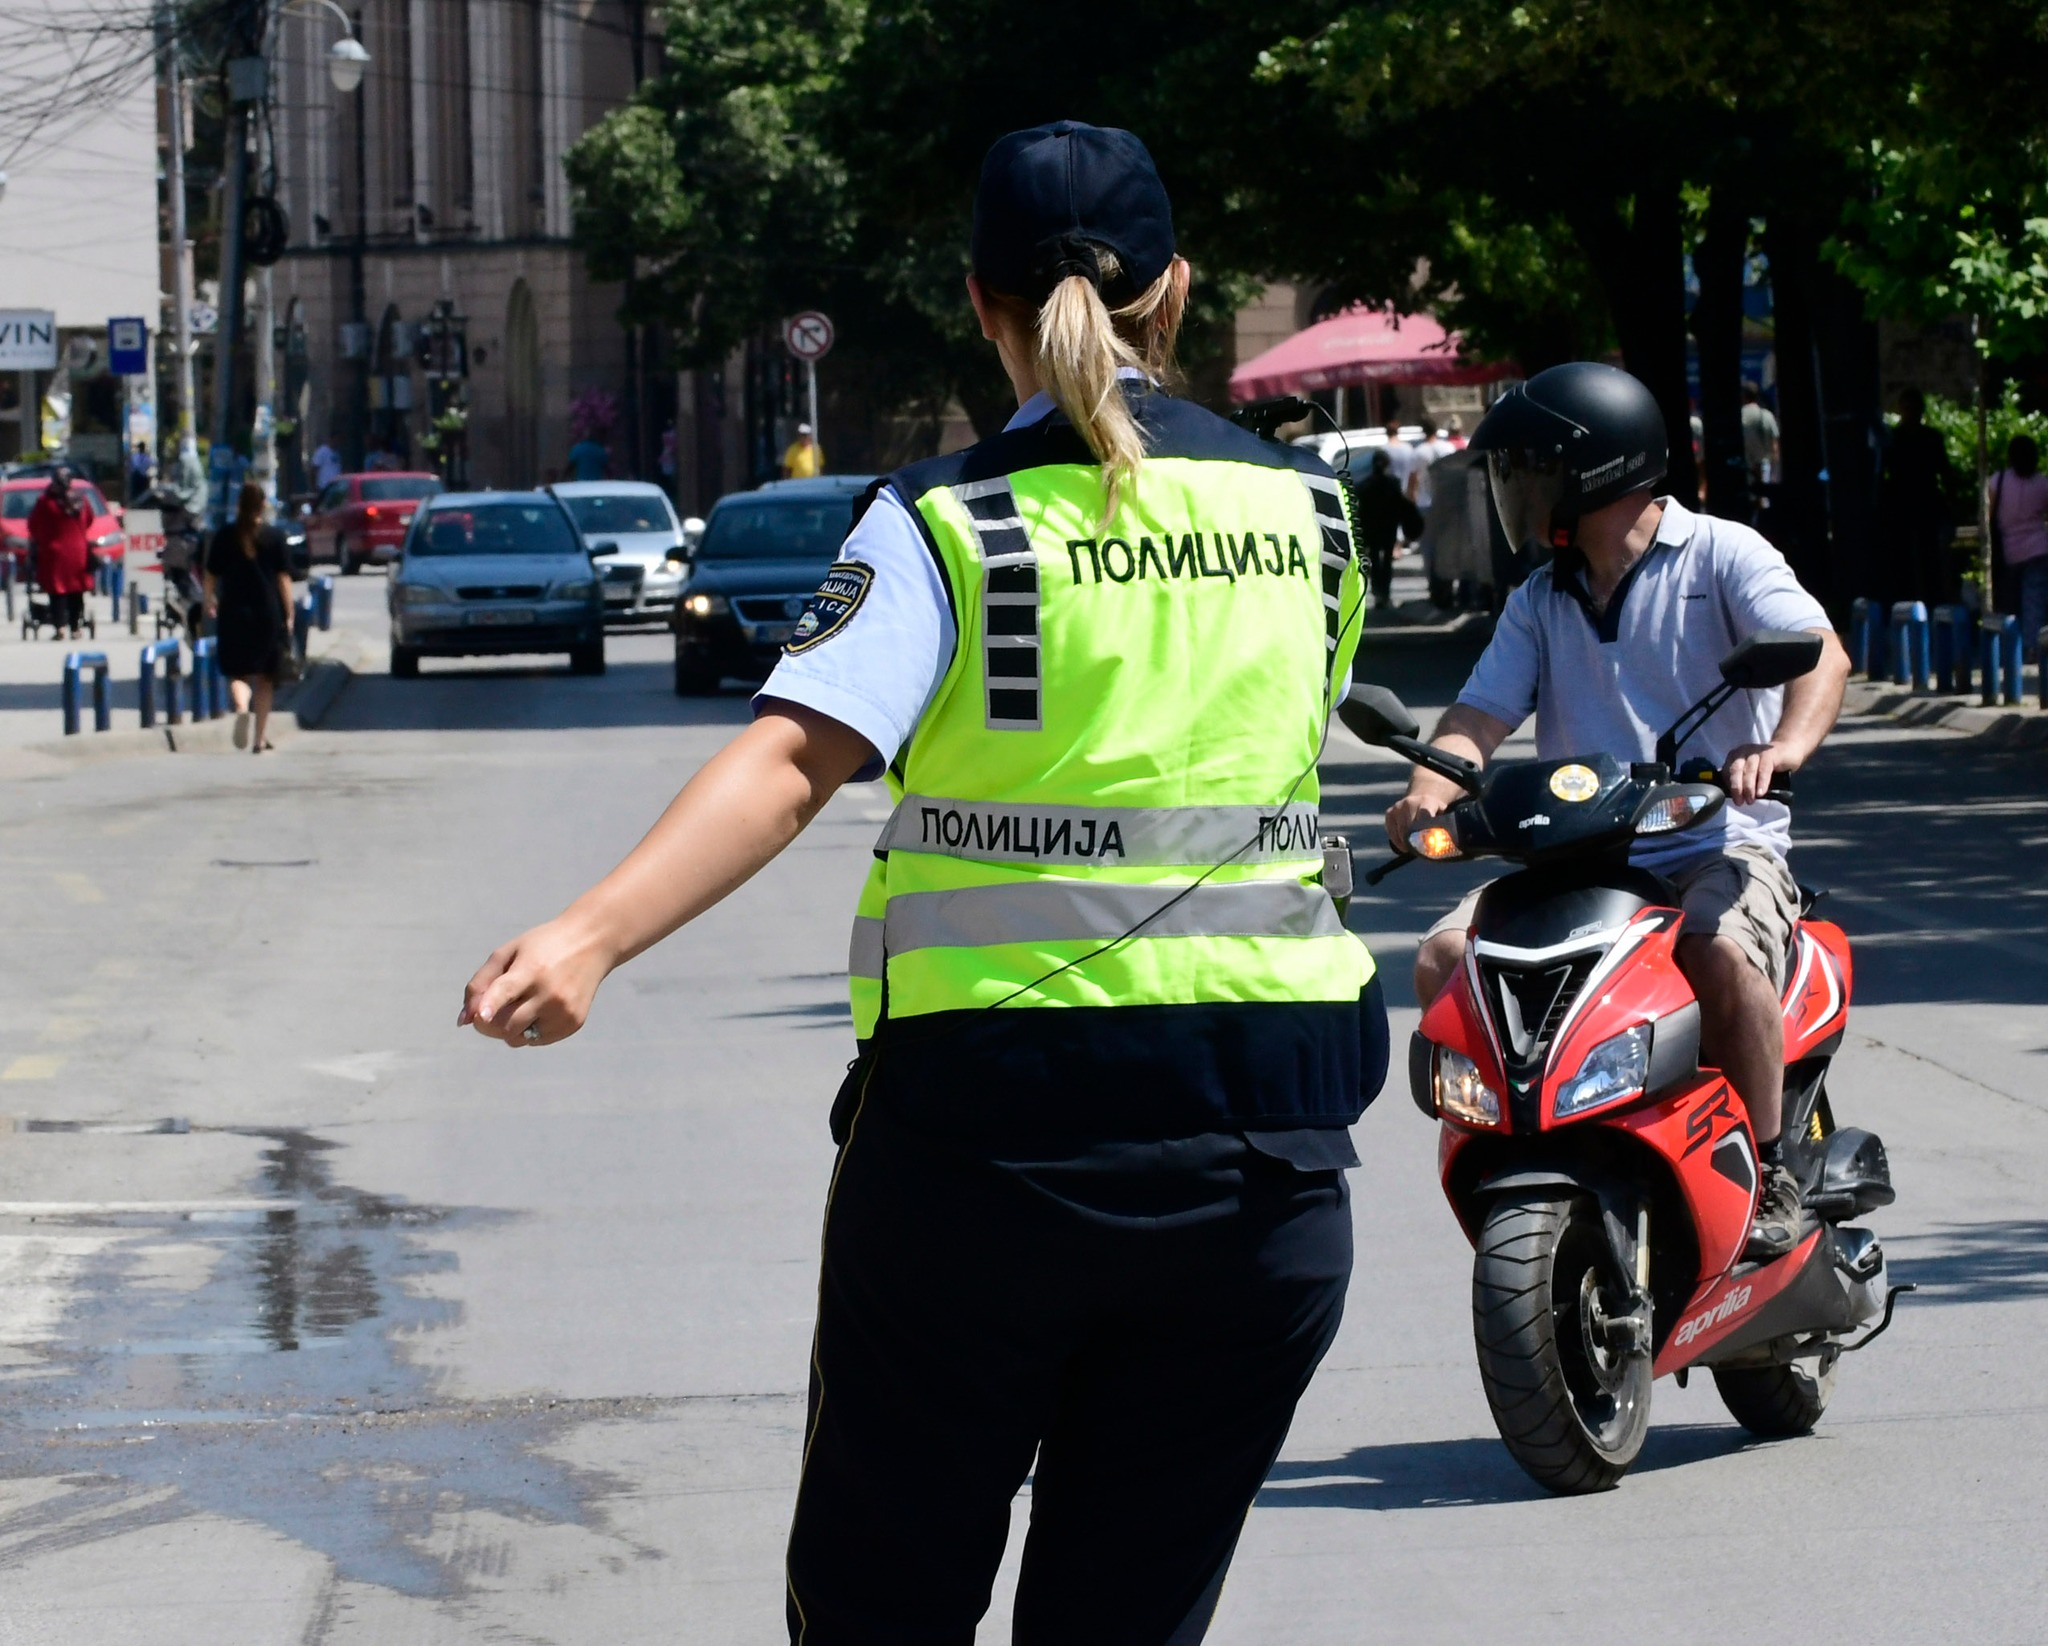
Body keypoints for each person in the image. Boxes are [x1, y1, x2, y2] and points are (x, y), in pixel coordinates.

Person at [460, 119, 1385, 1644]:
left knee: (880, 1611)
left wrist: (588, 936)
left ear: (979, 304)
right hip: (1266, 1169)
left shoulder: (949, 521)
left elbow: (789, 761)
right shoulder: (1313, 516)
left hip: (986, 1162)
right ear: (1178, 290)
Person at [1384, 362, 1850, 1262]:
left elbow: (1819, 654)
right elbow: (1479, 715)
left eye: (1529, 471)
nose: (1517, 494)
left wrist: (1782, 750)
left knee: (1718, 953)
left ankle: (1770, 1167)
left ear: (1594, 469)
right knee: (1444, 957)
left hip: (1716, 841)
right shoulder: (1540, 597)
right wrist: (1430, 790)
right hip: (1580, 852)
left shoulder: (1722, 555)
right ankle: (1524, 1145)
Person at [204, 480, 294, 752]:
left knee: (237, 672)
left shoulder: (225, 535)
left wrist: (209, 599)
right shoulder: (274, 537)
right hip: (267, 612)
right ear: (263, 505)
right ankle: (259, 739)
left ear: (239, 504)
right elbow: (283, 579)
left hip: (233, 612)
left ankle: (242, 707)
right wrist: (289, 613)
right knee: (266, 677)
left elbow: (211, 574)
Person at [1877, 386, 1954, 605]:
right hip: (1901, 505)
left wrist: (1950, 502)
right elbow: (1883, 474)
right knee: (1903, 558)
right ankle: (1907, 601)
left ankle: (1932, 601)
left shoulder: (1930, 438)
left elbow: (1945, 472)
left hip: (1925, 503)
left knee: (1929, 557)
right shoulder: (1893, 439)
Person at [1990, 434, 2048, 664]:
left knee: (2010, 603)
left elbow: (1988, 514)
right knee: (2034, 601)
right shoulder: (2042, 483)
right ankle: (2032, 648)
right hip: (2038, 549)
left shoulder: (1998, 481)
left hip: (2009, 550)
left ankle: (2010, 650)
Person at [27, 469, 92, 638]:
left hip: (54, 552)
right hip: (78, 551)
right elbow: (89, 520)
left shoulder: (45, 502)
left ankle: (60, 627)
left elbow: (33, 525)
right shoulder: (81, 500)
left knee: (57, 589)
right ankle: (75, 628)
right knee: (76, 589)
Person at [1352, 447, 1417, 608]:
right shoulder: (1393, 483)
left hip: (1372, 528)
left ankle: (1378, 593)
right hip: (1388, 527)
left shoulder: (1365, 484)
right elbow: (1401, 505)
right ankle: (1384, 593)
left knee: (1374, 559)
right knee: (1386, 560)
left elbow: (1358, 509)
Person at [1739, 380, 1779, 514]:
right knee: (1764, 502)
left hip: (1745, 466)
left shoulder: (1740, 415)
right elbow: (1774, 445)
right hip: (1764, 466)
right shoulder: (1766, 415)